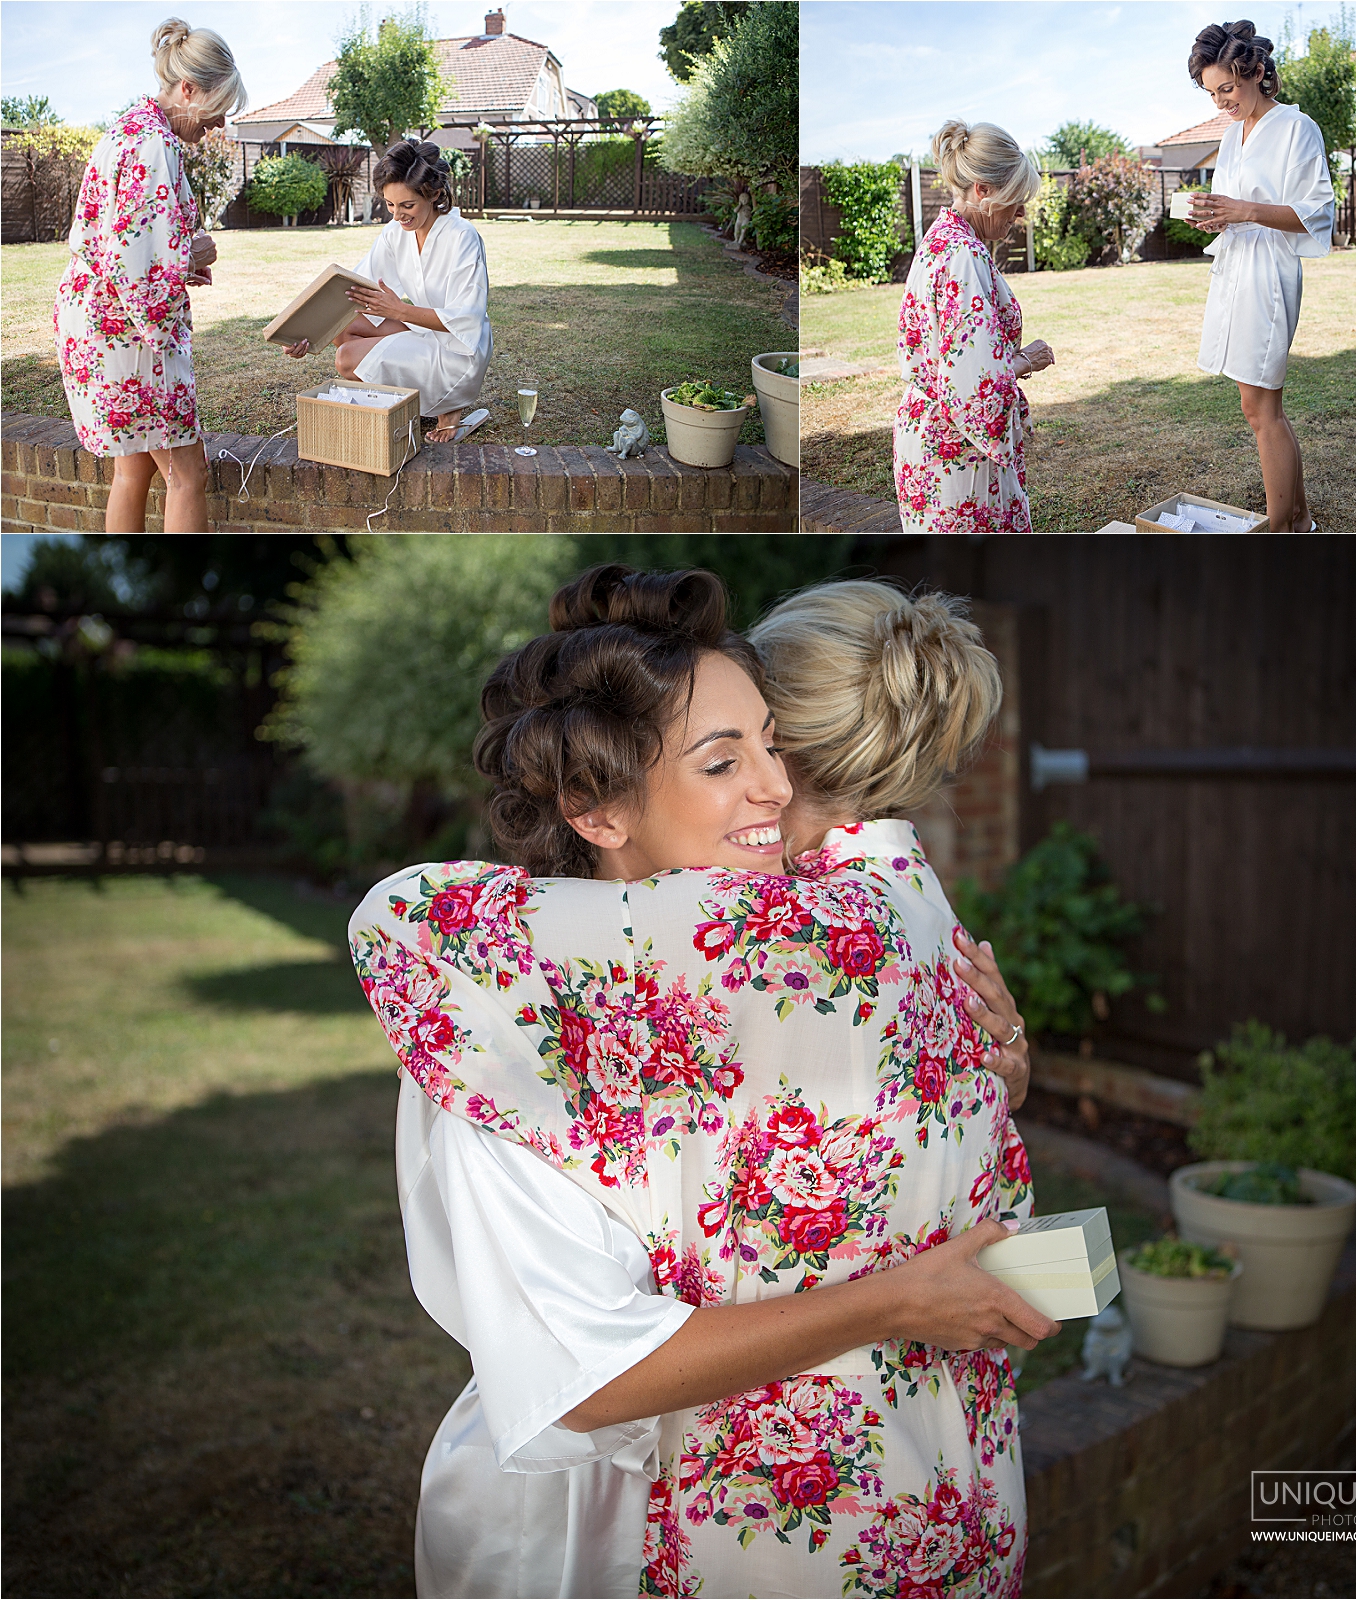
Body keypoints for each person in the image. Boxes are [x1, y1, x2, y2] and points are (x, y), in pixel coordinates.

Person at [349, 567, 1047, 1599]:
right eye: (726, 760)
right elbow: (592, 1383)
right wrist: (896, 1299)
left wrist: (994, 1081)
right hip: (589, 1531)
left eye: (776, 745)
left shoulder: (798, 966)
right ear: (592, 806)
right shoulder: (510, 1059)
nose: (774, 786)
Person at [54, 17, 244, 533]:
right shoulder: (153, 144)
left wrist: (176, 262)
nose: (219, 126)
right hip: (130, 332)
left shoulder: (129, 126)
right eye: (217, 110)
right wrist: (191, 256)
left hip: (97, 317)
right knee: (187, 474)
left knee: (133, 467)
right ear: (187, 89)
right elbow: (136, 265)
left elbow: (122, 242)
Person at [1186, 19, 1336, 532]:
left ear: (1254, 72)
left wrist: (1244, 210)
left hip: (1269, 276)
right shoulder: (1231, 137)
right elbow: (1232, 207)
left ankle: (1280, 529)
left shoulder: (1298, 128)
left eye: (1226, 88)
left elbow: (1313, 212)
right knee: (1258, 406)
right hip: (1234, 270)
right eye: (1212, 93)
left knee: (1262, 406)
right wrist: (1211, 214)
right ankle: (1298, 518)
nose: (1221, 102)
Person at [893, 119, 1055, 535]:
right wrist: (1025, 360)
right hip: (957, 452)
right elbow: (972, 385)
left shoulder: (943, 238)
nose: (1020, 212)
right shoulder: (963, 255)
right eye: (1016, 199)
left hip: (934, 441)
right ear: (983, 190)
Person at [284, 139, 492, 444]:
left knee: (346, 358)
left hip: (458, 351)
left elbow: (467, 320)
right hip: (423, 331)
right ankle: (410, 401)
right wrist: (303, 334)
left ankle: (449, 406)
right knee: (342, 328)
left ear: (434, 194)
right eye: (390, 204)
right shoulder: (396, 233)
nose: (397, 216)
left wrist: (399, 311)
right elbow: (351, 289)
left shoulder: (462, 237)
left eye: (407, 205)